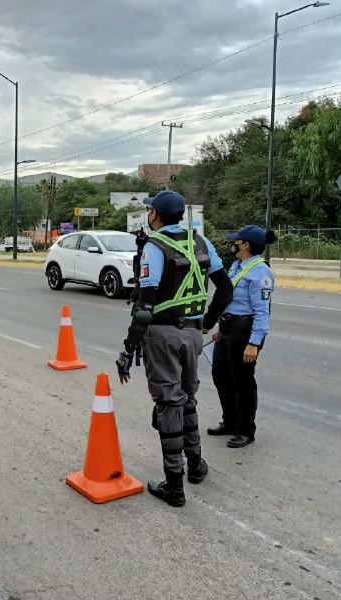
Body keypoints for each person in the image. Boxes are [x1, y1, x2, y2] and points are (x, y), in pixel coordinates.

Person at [116, 190, 233, 507]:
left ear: (156, 215)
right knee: (187, 398)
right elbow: (225, 288)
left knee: (168, 403)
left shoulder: (155, 247)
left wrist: (128, 349)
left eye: (149, 211)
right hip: (193, 334)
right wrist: (206, 322)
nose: (148, 216)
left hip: (164, 334)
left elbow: (144, 307)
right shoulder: (201, 242)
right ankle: (195, 466)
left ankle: (174, 486)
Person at [207, 225, 276, 449]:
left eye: (236, 241)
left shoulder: (260, 272)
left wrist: (254, 343)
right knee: (220, 376)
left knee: (243, 382)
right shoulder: (237, 266)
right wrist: (222, 327)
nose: (233, 244)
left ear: (245, 245)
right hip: (228, 328)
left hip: (245, 332)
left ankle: (246, 430)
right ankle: (230, 422)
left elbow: (262, 311)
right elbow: (231, 299)